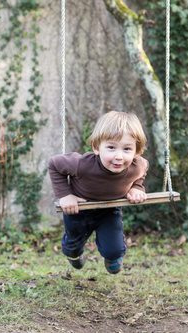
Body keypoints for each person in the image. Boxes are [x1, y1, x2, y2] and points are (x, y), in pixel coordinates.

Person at [48, 111, 149, 274]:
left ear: (136, 152)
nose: (119, 157)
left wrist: (137, 187)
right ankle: (73, 254)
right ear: (96, 147)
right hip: (79, 210)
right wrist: (65, 195)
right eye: (111, 147)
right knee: (73, 245)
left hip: (109, 210)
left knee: (114, 248)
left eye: (127, 149)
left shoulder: (137, 165)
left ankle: (112, 256)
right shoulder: (82, 164)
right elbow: (54, 164)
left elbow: (142, 171)